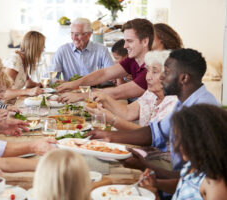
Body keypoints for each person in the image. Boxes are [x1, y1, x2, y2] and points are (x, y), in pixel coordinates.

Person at [86, 48, 219, 178]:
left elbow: (195, 178)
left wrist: (146, 169)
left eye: (166, 72)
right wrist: (109, 136)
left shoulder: (201, 110)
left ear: (184, 78)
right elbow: (154, 133)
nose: (162, 77)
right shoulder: (183, 101)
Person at [139, 104, 227, 200]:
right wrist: (156, 183)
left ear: (202, 141)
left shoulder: (215, 185)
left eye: (182, 139)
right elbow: (183, 184)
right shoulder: (195, 164)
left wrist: (154, 195)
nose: (177, 145)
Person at [57, 18, 154, 102]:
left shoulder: (152, 68)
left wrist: (82, 96)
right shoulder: (132, 59)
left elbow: (118, 93)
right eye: (125, 41)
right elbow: (104, 73)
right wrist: (73, 84)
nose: (125, 46)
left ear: (145, 41)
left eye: (130, 41)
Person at [86, 50, 177, 131]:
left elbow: (150, 135)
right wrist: (104, 98)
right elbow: (128, 112)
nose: (148, 77)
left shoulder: (173, 103)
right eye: (148, 71)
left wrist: (112, 119)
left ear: (169, 76)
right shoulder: (151, 94)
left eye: (154, 72)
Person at [49, 17, 114, 81]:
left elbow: (112, 74)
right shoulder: (63, 50)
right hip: (70, 90)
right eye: (72, 33)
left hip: (96, 90)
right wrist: (56, 81)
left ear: (89, 34)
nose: (74, 38)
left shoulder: (102, 50)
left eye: (77, 34)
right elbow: (53, 75)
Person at [3, 31, 45, 100]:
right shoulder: (15, 61)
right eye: (42, 47)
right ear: (35, 48)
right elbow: (4, 93)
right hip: (1, 106)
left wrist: (38, 85)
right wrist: (28, 91)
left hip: (12, 103)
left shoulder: (24, 60)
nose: (43, 50)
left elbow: (27, 82)